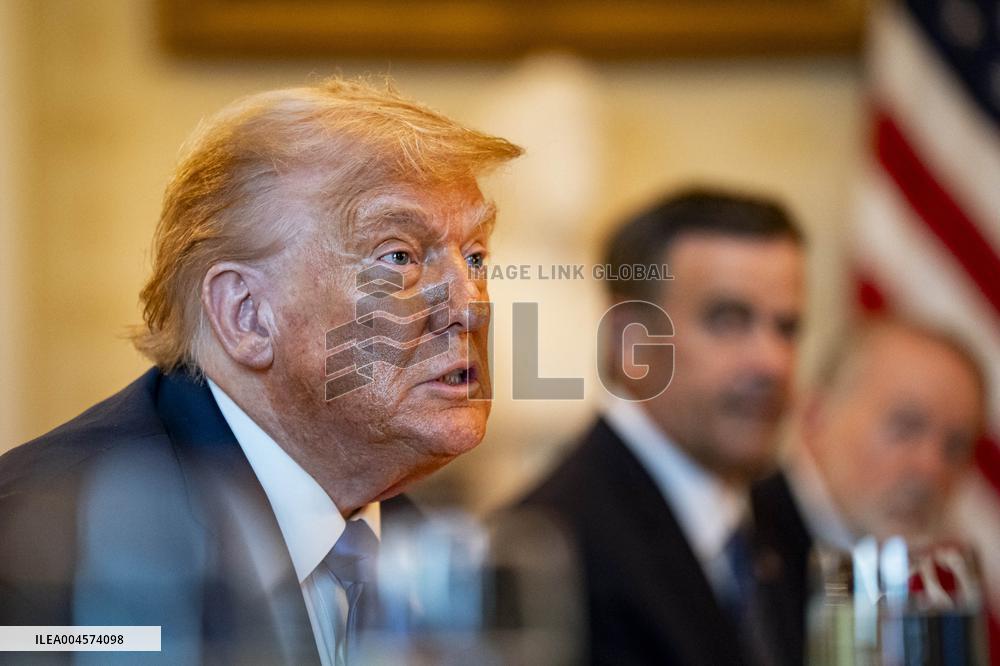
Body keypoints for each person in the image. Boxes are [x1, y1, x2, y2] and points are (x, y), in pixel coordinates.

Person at [0, 78, 521, 664]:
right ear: (246, 315)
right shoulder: (47, 545)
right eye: (398, 257)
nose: (469, 305)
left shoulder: (416, 545)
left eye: (476, 257)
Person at [518, 188, 807, 665]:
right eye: (728, 320)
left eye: (787, 328)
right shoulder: (547, 552)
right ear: (630, 341)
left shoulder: (781, 528)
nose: (772, 363)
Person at [753, 317, 988, 659]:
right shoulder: (741, 547)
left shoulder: (918, 587)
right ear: (815, 415)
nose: (931, 468)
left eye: (955, 446)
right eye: (906, 426)